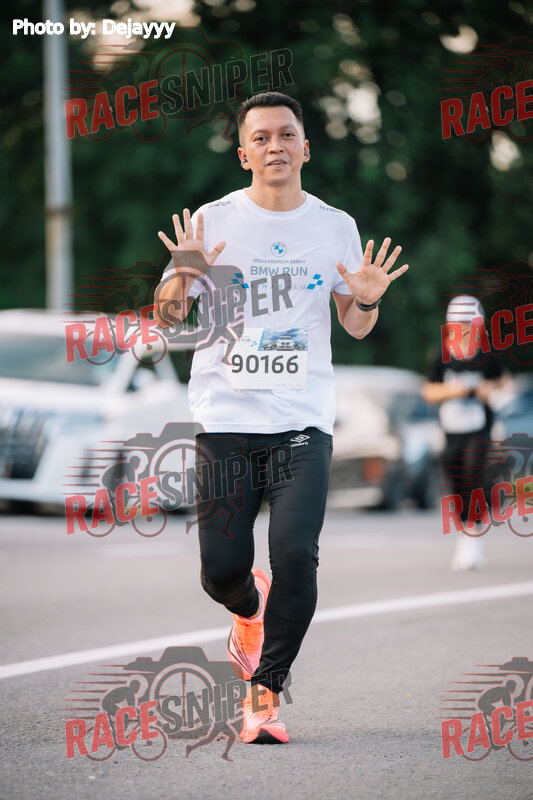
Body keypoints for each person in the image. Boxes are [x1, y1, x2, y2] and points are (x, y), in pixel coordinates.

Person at [153, 91, 408, 744]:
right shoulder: (212, 220)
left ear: (305, 147)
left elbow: (354, 324)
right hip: (226, 418)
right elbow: (168, 317)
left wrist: (366, 301)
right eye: (261, 137)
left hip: (302, 420)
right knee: (221, 572)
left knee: (296, 553)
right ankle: (248, 609)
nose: (275, 146)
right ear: (244, 154)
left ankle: (263, 695)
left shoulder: (335, 226)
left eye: (286, 134)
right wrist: (182, 274)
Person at [423, 295, 505, 571]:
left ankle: (473, 538)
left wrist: (488, 390)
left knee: (473, 475)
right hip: (451, 430)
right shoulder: (441, 355)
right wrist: (456, 391)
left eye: (470, 324)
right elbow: (429, 391)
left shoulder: (487, 356)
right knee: (457, 483)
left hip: (479, 428)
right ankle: (465, 533)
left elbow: (501, 382)